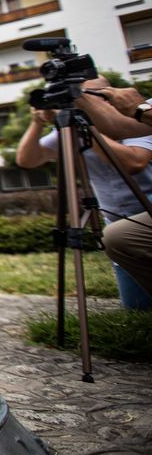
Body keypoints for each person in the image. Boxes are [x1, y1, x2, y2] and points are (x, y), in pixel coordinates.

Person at [15, 77, 152, 307]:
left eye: (82, 96)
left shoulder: (139, 118)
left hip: (147, 209)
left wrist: (84, 129)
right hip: (116, 220)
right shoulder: (73, 130)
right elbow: (28, 159)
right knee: (138, 309)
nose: (77, 103)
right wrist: (37, 122)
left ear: (108, 96)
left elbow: (134, 162)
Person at [75, 86, 152, 297]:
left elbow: (134, 161)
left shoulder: (144, 109)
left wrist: (140, 109)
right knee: (119, 236)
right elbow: (120, 126)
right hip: (118, 217)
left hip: (143, 202)